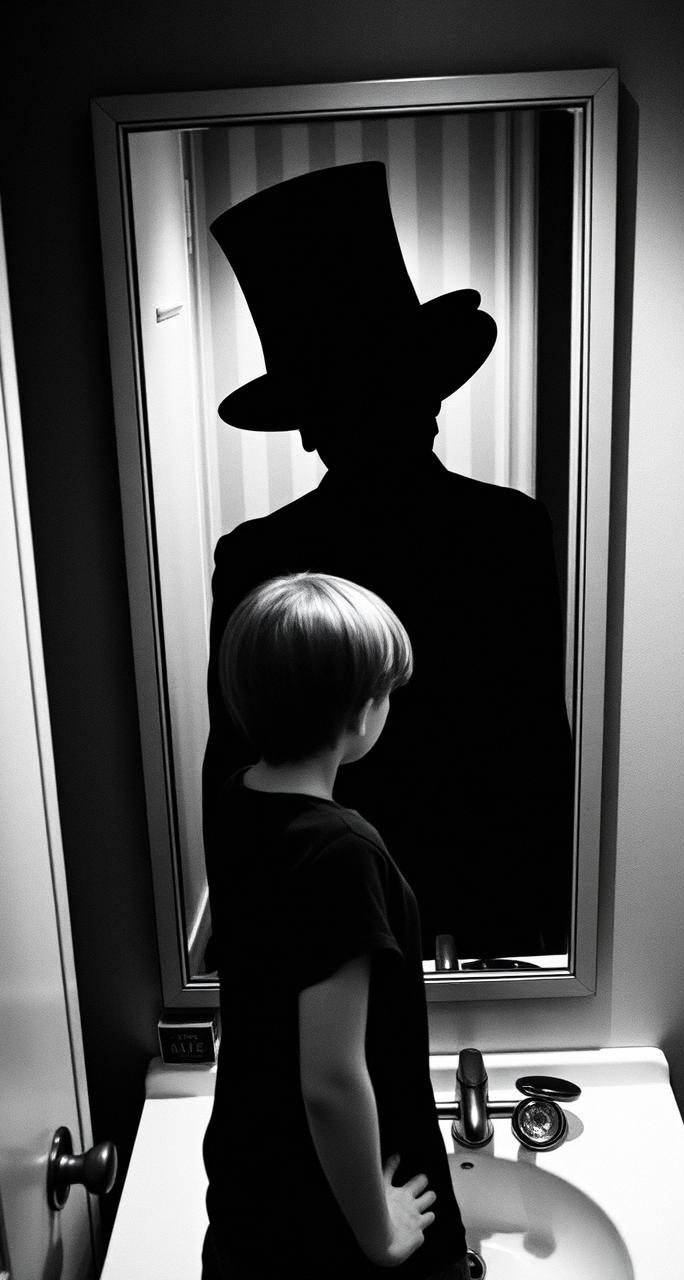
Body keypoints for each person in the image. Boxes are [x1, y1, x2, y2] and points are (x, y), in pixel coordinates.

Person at [203, 161, 573, 962]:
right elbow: (542, 743)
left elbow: (232, 774)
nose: (428, 409)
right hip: (474, 896)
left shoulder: (257, 556)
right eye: (406, 389)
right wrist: (559, 928)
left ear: (306, 429)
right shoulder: (508, 529)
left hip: (331, 904)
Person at [201, 572, 469, 1280]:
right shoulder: (341, 854)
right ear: (357, 714)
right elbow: (329, 1077)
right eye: (384, 693)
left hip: (251, 1186)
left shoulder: (238, 801)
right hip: (330, 1220)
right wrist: (380, 1234)